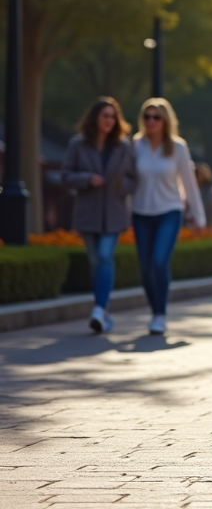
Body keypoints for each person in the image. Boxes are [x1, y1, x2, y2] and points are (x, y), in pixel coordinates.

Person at [131, 98, 206, 335]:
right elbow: (127, 181)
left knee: (158, 261)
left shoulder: (178, 147)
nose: (151, 121)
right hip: (140, 212)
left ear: (165, 120)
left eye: (156, 117)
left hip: (169, 210)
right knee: (144, 267)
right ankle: (154, 308)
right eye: (147, 117)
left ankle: (159, 314)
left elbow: (189, 184)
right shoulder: (135, 145)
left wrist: (199, 217)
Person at [61, 97, 136, 334]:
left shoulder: (124, 146)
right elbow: (65, 175)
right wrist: (86, 180)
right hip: (88, 212)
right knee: (95, 263)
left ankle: (98, 308)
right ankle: (102, 311)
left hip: (113, 212)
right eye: (105, 115)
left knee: (105, 257)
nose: (109, 120)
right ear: (95, 117)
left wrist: (120, 187)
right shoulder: (78, 144)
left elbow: (133, 177)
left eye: (113, 116)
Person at [195, 163, 212, 232]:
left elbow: (211, 205)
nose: (201, 176)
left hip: (207, 217)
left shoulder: (209, 190)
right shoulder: (192, 189)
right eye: (199, 174)